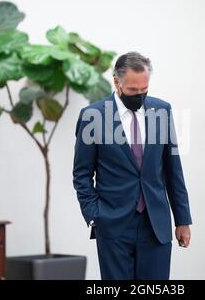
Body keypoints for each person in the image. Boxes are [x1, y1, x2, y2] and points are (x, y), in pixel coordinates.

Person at [73, 51, 192, 280]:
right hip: (113, 224)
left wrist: (183, 219)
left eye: (144, 90)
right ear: (117, 82)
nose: (139, 96)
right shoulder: (93, 116)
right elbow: (82, 174)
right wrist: (95, 216)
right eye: (132, 90)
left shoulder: (162, 110)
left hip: (155, 225)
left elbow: (173, 169)